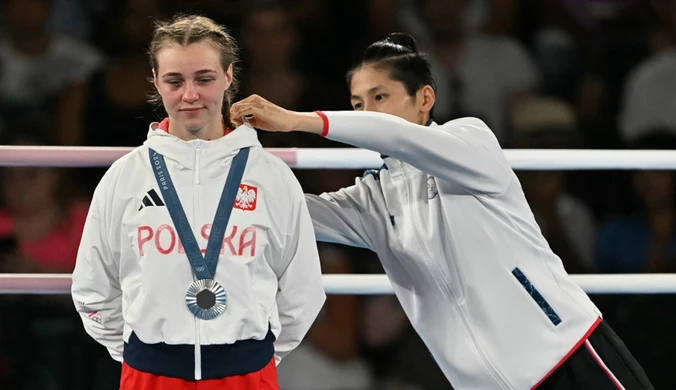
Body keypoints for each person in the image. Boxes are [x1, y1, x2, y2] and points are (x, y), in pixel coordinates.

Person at [230, 33, 654, 390]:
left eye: (381, 96)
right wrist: (217, 175)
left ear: (425, 99)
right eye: (358, 105)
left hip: (565, 355)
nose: (368, 113)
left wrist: (298, 120)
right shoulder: (373, 199)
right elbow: (287, 211)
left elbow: (395, 136)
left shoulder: (470, 140)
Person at [71, 14, 325, 390]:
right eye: (175, 81)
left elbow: (303, 289)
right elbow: (93, 287)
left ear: (228, 77)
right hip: (149, 373)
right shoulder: (125, 176)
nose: (190, 94)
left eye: (204, 79)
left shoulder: (270, 176)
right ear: (156, 83)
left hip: (247, 373)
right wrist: (140, 353)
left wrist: (256, 355)